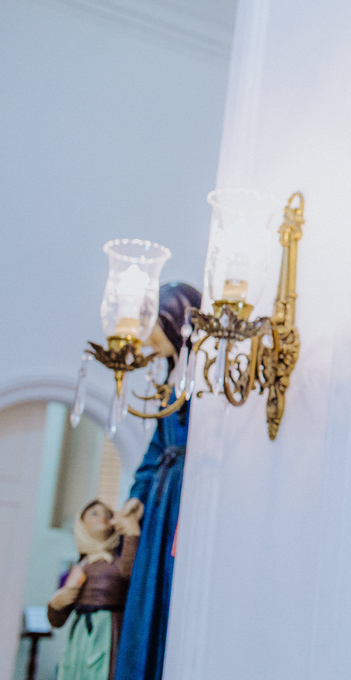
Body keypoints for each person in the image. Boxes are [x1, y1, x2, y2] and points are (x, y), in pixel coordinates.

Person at [114, 281, 201, 680]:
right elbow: (154, 449)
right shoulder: (169, 383)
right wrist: (138, 496)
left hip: (182, 498)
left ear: (175, 323)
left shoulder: (204, 377)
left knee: (171, 592)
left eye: (153, 327)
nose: (146, 340)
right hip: (161, 501)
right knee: (146, 595)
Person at [47, 500, 141, 680]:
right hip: (81, 633)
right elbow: (58, 620)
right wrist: (57, 603)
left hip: (109, 630)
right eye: (94, 514)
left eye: (108, 514)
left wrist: (131, 533)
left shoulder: (117, 563)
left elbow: (132, 573)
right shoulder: (79, 568)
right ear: (82, 524)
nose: (103, 517)